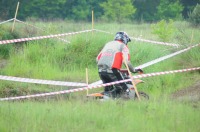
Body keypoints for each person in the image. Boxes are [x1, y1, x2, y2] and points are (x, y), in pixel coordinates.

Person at [96, 31, 143, 98]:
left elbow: (97, 59)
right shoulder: (123, 46)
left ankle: (106, 100)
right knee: (124, 89)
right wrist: (133, 70)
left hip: (100, 70)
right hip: (113, 70)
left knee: (108, 89)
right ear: (125, 39)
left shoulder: (108, 44)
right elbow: (126, 61)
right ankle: (122, 103)